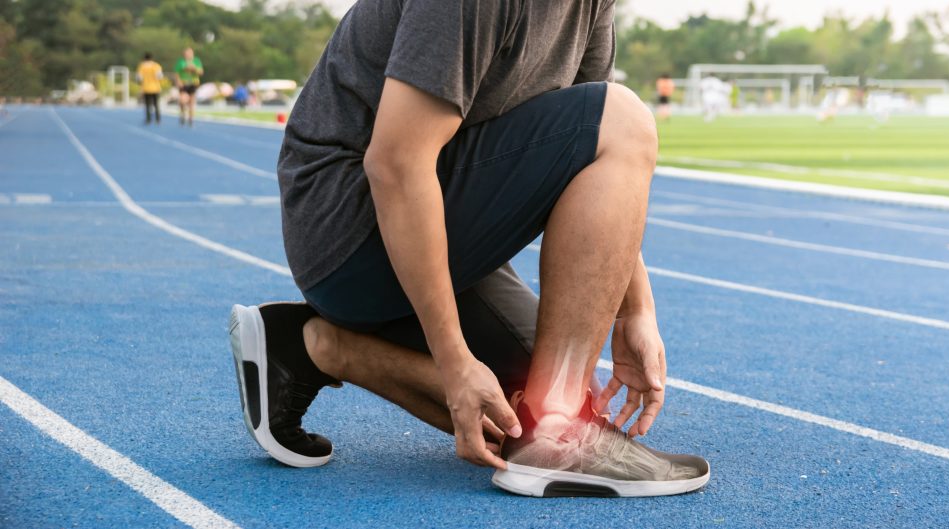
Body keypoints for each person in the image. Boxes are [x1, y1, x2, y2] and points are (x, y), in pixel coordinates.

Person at [228, 0, 709, 498]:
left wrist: (635, 312)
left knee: (520, 416)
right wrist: (454, 360)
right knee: (626, 115)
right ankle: (560, 436)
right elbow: (396, 164)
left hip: (424, 221)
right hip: (350, 230)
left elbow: (593, 163)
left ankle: (316, 347)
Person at [174, 48, 203, 126]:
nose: (188, 55)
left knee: (191, 102)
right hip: (183, 84)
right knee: (182, 100)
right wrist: (178, 81)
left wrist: (194, 69)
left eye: (190, 53)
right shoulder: (181, 62)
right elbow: (176, 73)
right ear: (184, 54)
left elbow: (201, 72)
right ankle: (182, 113)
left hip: (193, 83)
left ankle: (191, 118)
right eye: (187, 53)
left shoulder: (196, 61)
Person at [136, 52, 163, 125]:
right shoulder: (156, 66)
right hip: (156, 87)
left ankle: (148, 119)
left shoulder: (142, 66)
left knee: (147, 104)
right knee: (156, 104)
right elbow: (160, 76)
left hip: (146, 88)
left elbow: (139, 78)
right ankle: (158, 119)